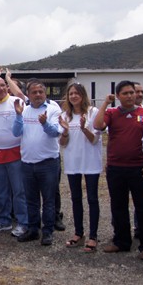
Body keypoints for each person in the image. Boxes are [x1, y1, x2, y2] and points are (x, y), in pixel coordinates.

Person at [93, 80, 143, 261]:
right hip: (116, 168)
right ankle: (121, 241)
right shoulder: (112, 113)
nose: (130, 96)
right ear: (118, 97)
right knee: (118, 206)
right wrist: (105, 103)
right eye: (125, 93)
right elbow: (97, 125)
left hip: (139, 168)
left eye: (132, 93)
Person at [13, 80, 63, 246]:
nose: (37, 95)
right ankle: (33, 229)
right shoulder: (24, 110)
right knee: (31, 200)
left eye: (40, 92)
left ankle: (48, 231)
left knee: (48, 200)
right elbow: (16, 132)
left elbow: (56, 132)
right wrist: (19, 116)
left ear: (45, 93)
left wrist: (44, 123)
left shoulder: (53, 110)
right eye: (34, 92)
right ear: (28, 94)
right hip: (27, 163)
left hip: (48, 163)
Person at [58, 83, 102, 252]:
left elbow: (94, 140)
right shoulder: (65, 116)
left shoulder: (93, 113)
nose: (74, 96)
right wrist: (65, 131)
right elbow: (62, 143)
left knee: (92, 199)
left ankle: (93, 236)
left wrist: (84, 128)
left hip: (90, 162)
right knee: (76, 198)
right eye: (71, 94)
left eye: (77, 93)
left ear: (83, 95)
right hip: (73, 161)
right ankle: (78, 232)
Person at [0, 76, 27, 237]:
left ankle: (23, 222)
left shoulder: (17, 102)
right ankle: (3, 220)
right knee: (1, 191)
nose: (1, 89)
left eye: (3, 85)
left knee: (18, 191)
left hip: (15, 151)